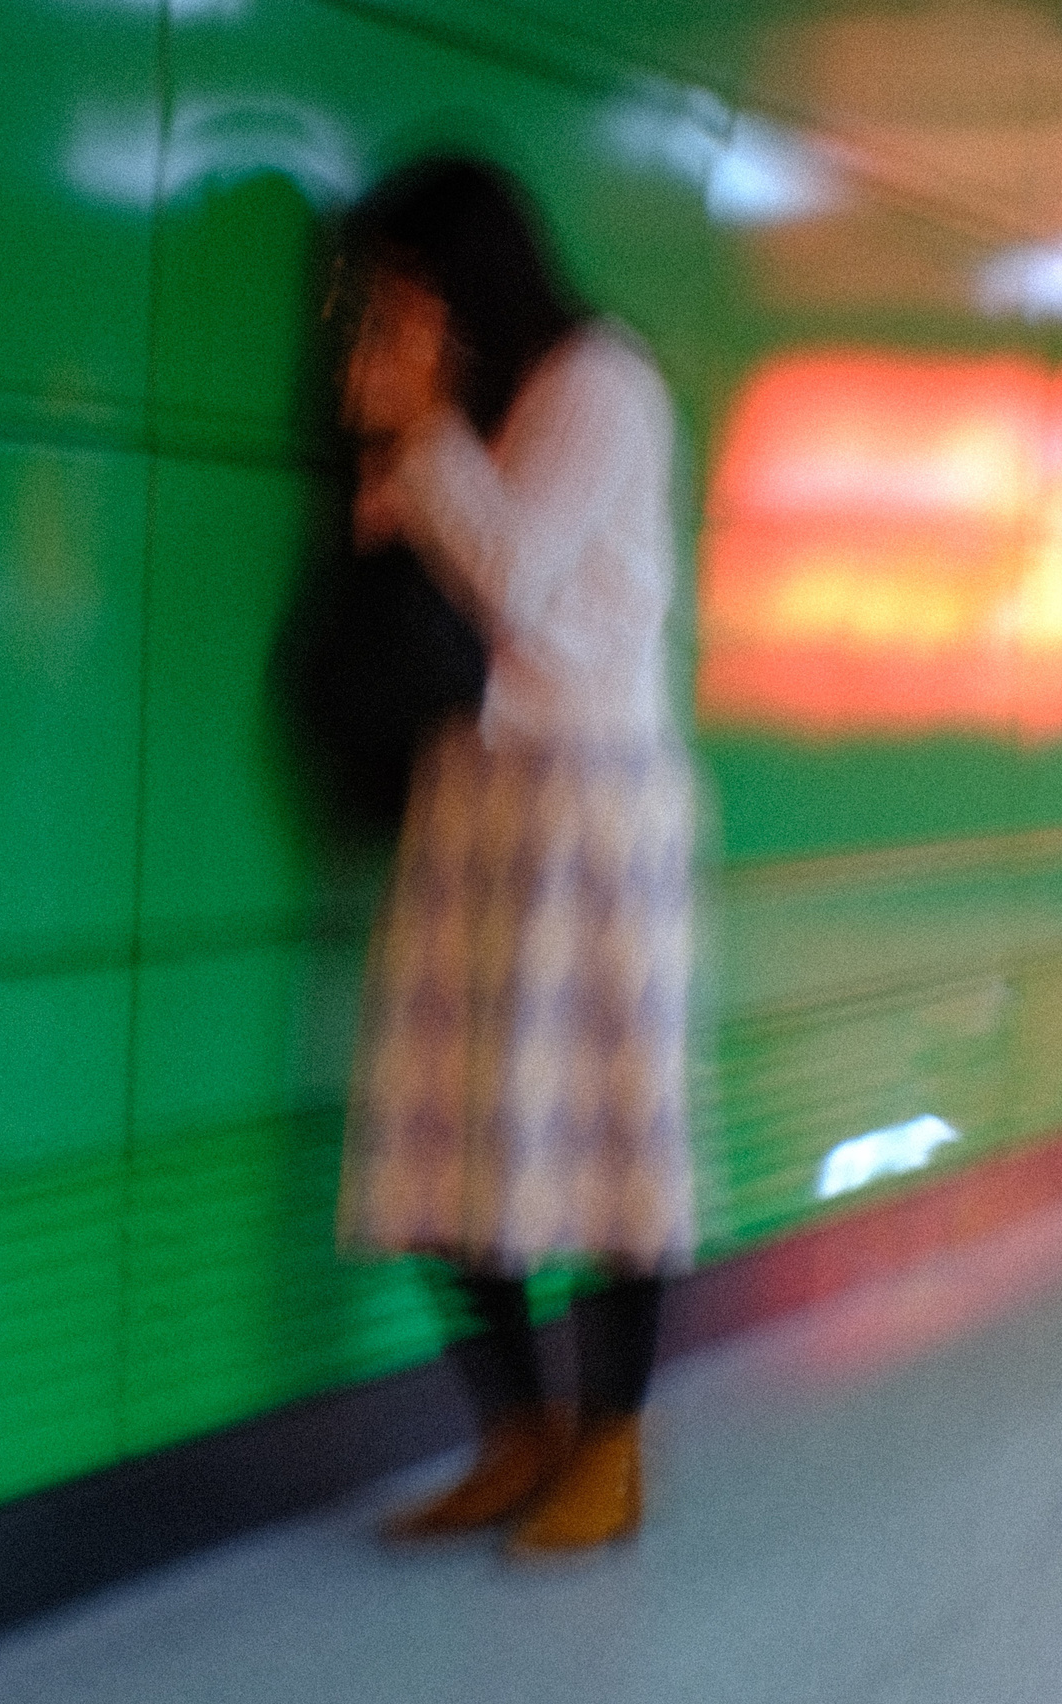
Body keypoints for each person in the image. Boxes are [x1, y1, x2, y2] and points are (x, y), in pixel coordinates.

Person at [333, 157, 695, 1557]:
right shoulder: (484, 413)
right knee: (443, 1126)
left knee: (605, 1133)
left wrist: (420, 443)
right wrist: (417, 452)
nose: (398, 318)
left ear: (472, 272)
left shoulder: (602, 382)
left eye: (412, 289)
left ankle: (611, 1446)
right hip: (473, 787)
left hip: (590, 798)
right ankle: (512, 1432)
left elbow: (516, 572)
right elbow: (404, 544)